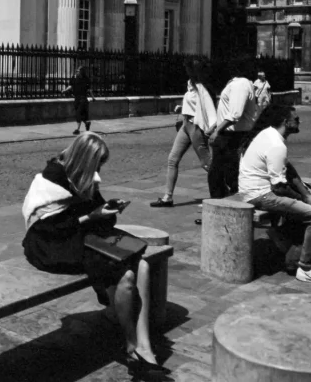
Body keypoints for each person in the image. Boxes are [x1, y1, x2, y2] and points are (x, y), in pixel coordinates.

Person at [21, 133, 168, 376]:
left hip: (75, 237)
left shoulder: (81, 173)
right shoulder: (52, 177)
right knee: (126, 273)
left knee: (139, 265)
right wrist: (92, 216)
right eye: (97, 163)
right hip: (48, 246)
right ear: (85, 159)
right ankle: (133, 345)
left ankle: (142, 347)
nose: (99, 170)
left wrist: (108, 209)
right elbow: (46, 228)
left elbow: (94, 209)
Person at [237, 105, 311, 286]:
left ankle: (286, 241)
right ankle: (306, 268)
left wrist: (307, 193)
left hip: (256, 190)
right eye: (297, 119)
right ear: (286, 122)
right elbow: (279, 188)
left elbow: (288, 170)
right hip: (260, 196)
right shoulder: (276, 145)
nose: (300, 121)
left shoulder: (269, 134)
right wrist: (305, 199)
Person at [151, 59, 216, 208]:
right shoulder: (191, 85)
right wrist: (182, 108)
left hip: (195, 127)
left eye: (188, 69)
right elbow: (194, 104)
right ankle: (168, 197)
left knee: (207, 163)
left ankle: (222, 192)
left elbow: (208, 109)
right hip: (185, 125)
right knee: (172, 159)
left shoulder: (202, 88)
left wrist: (211, 128)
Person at [206, 62, 258, 202]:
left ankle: (220, 207)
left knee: (222, 173)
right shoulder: (237, 83)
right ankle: (220, 205)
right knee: (221, 172)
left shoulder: (240, 84)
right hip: (229, 133)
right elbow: (227, 112)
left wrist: (217, 131)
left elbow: (235, 114)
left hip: (232, 136)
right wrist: (214, 127)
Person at [62, 65, 93, 135]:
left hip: (83, 98)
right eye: (77, 71)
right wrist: (65, 90)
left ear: (82, 72)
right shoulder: (74, 77)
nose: (77, 72)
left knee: (78, 113)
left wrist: (93, 97)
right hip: (77, 98)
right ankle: (87, 123)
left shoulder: (86, 79)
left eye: (78, 71)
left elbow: (89, 90)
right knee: (81, 114)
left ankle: (78, 129)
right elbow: (71, 86)